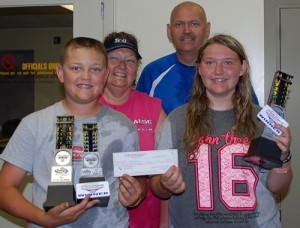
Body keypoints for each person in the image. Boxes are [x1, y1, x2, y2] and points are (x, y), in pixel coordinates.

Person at [0, 37, 147, 227]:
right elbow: (4, 188)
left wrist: (136, 195)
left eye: (95, 69)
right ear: (61, 73)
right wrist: (43, 218)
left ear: (106, 74)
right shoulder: (34, 124)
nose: (86, 76)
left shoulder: (123, 127)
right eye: (76, 68)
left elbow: (138, 181)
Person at [151, 34, 293, 227]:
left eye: (228, 62)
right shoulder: (176, 120)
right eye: (209, 62)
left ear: (242, 68)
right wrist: (165, 185)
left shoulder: (265, 121)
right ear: (199, 69)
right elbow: (158, 187)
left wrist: (283, 158)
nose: (218, 70)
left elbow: (276, 186)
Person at [136, 1, 259, 115]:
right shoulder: (153, 72)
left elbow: (252, 121)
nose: (187, 31)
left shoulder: (229, 75)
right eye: (179, 24)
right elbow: (139, 120)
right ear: (169, 31)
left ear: (207, 29)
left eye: (194, 24)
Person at [99, 31, 167, 228]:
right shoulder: (87, 106)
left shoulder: (153, 109)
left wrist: (165, 223)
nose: (122, 66)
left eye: (130, 60)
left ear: (136, 68)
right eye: (114, 58)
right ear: (101, 64)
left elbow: (165, 171)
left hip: (146, 219)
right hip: (96, 218)